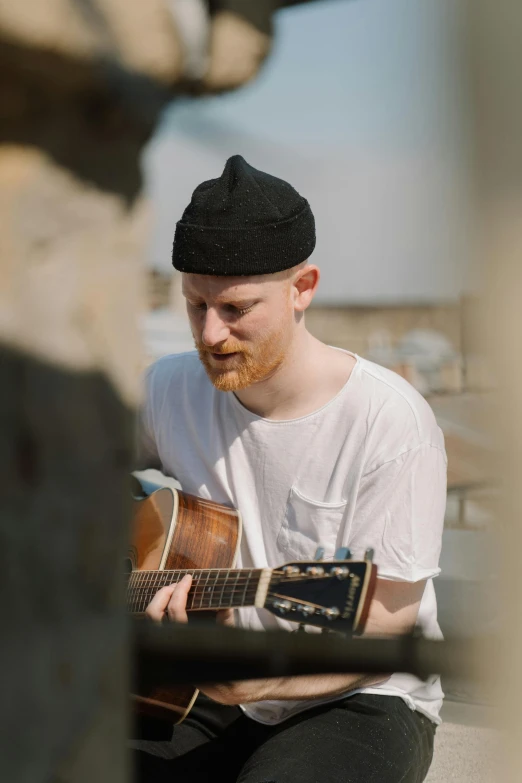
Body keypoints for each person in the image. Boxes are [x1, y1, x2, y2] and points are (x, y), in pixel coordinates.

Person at [134, 155, 446, 782]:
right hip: (205, 689)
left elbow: (384, 628)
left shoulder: (388, 421)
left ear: (303, 289)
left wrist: (245, 681)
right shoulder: (167, 388)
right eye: (197, 306)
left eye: (238, 309)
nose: (212, 334)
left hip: (360, 697)